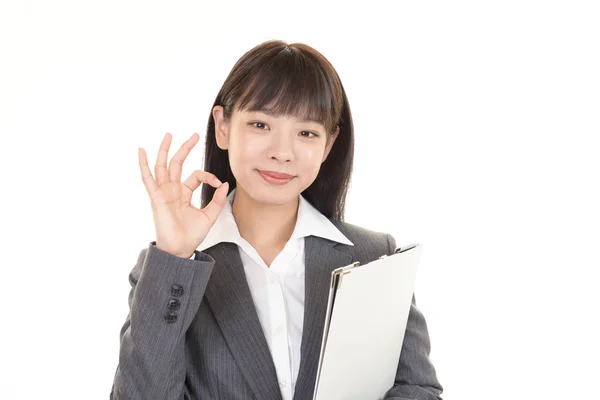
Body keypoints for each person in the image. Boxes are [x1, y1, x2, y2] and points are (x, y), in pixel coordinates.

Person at [110, 39, 443, 400]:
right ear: (222, 126)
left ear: (328, 144)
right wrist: (175, 257)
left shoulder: (375, 256)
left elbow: (417, 389)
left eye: (306, 133)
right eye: (260, 124)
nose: (282, 153)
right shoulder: (172, 271)